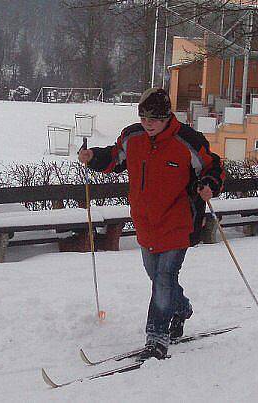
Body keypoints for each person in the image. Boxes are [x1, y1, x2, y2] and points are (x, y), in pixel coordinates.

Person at [78, 88, 225, 360]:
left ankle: (157, 338)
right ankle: (180, 309)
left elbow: (212, 166)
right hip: (146, 223)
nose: (148, 123)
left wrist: (209, 184)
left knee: (164, 279)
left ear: (167, 116)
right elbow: (114, 158)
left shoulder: (187, 140)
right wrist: (94, 158)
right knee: (155, 276)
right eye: (144, 117)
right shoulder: (133, 136)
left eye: (154, 119)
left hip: (179, 221)